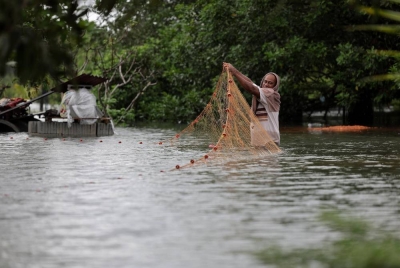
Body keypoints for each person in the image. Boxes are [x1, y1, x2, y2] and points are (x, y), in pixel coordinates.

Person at [223, 62, 281, 145]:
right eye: (265, 81)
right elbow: (250, 82)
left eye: (270, 83)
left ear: (275, 86)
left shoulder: (271, 94)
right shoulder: (261, 93)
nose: (266, 84)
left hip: (270, 142)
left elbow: (251, 88)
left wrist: (234, 71)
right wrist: (234, 72)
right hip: (259, 142)